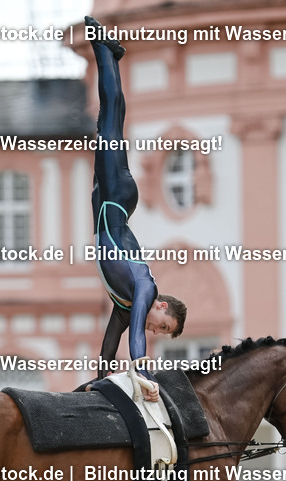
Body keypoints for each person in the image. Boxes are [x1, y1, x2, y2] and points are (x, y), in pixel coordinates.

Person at [86, 16, 187, 400]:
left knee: (110, 121)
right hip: (116, 197)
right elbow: (137, 345)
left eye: (161, 332)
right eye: (163, 324)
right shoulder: (144, 288)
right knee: (109, 119)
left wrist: (98, 384)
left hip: (107, 200)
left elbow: (110, 347)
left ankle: (109, 54)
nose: (156, 330)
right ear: (160, 305)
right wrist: (144, 377)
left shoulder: (124, 305)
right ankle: (102, 46)